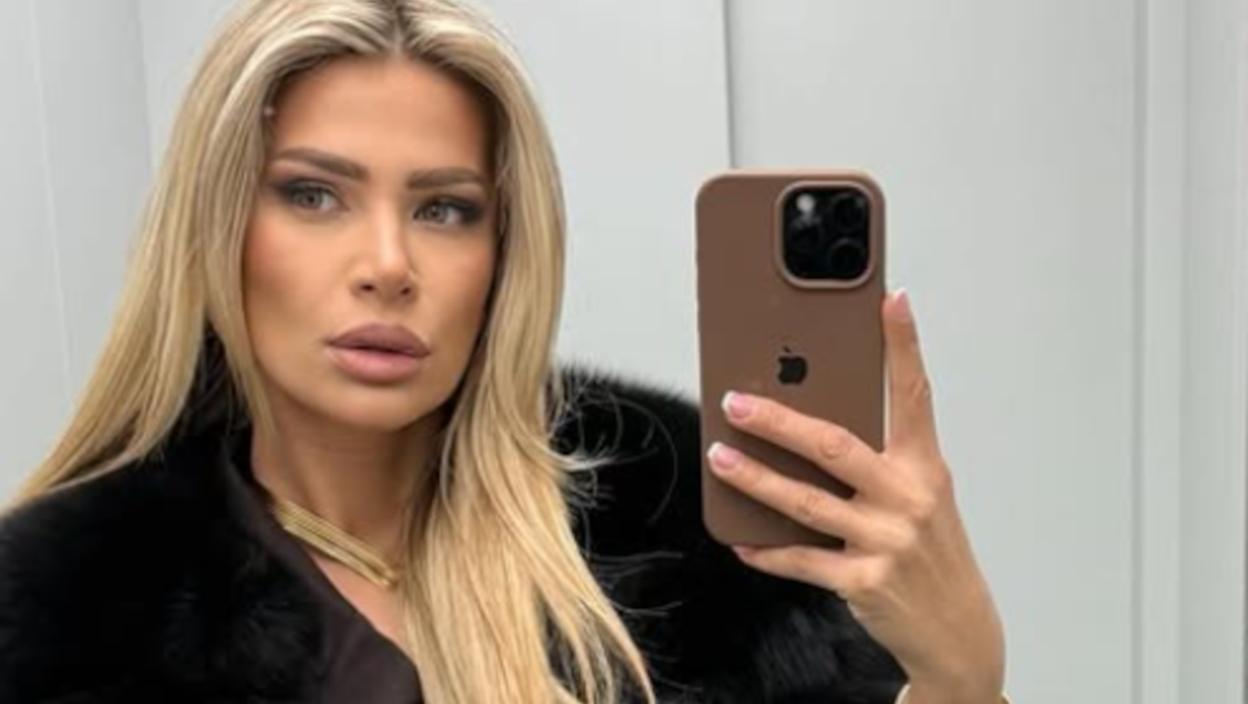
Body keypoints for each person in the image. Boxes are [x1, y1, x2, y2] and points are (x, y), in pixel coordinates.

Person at [0, 1, 1007, 702]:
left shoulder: (695, 552)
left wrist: (962, 679)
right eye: (313, 194)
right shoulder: (63, 625)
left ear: (503, 254)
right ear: (215, 227)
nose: (387, 265)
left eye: (444, 208)